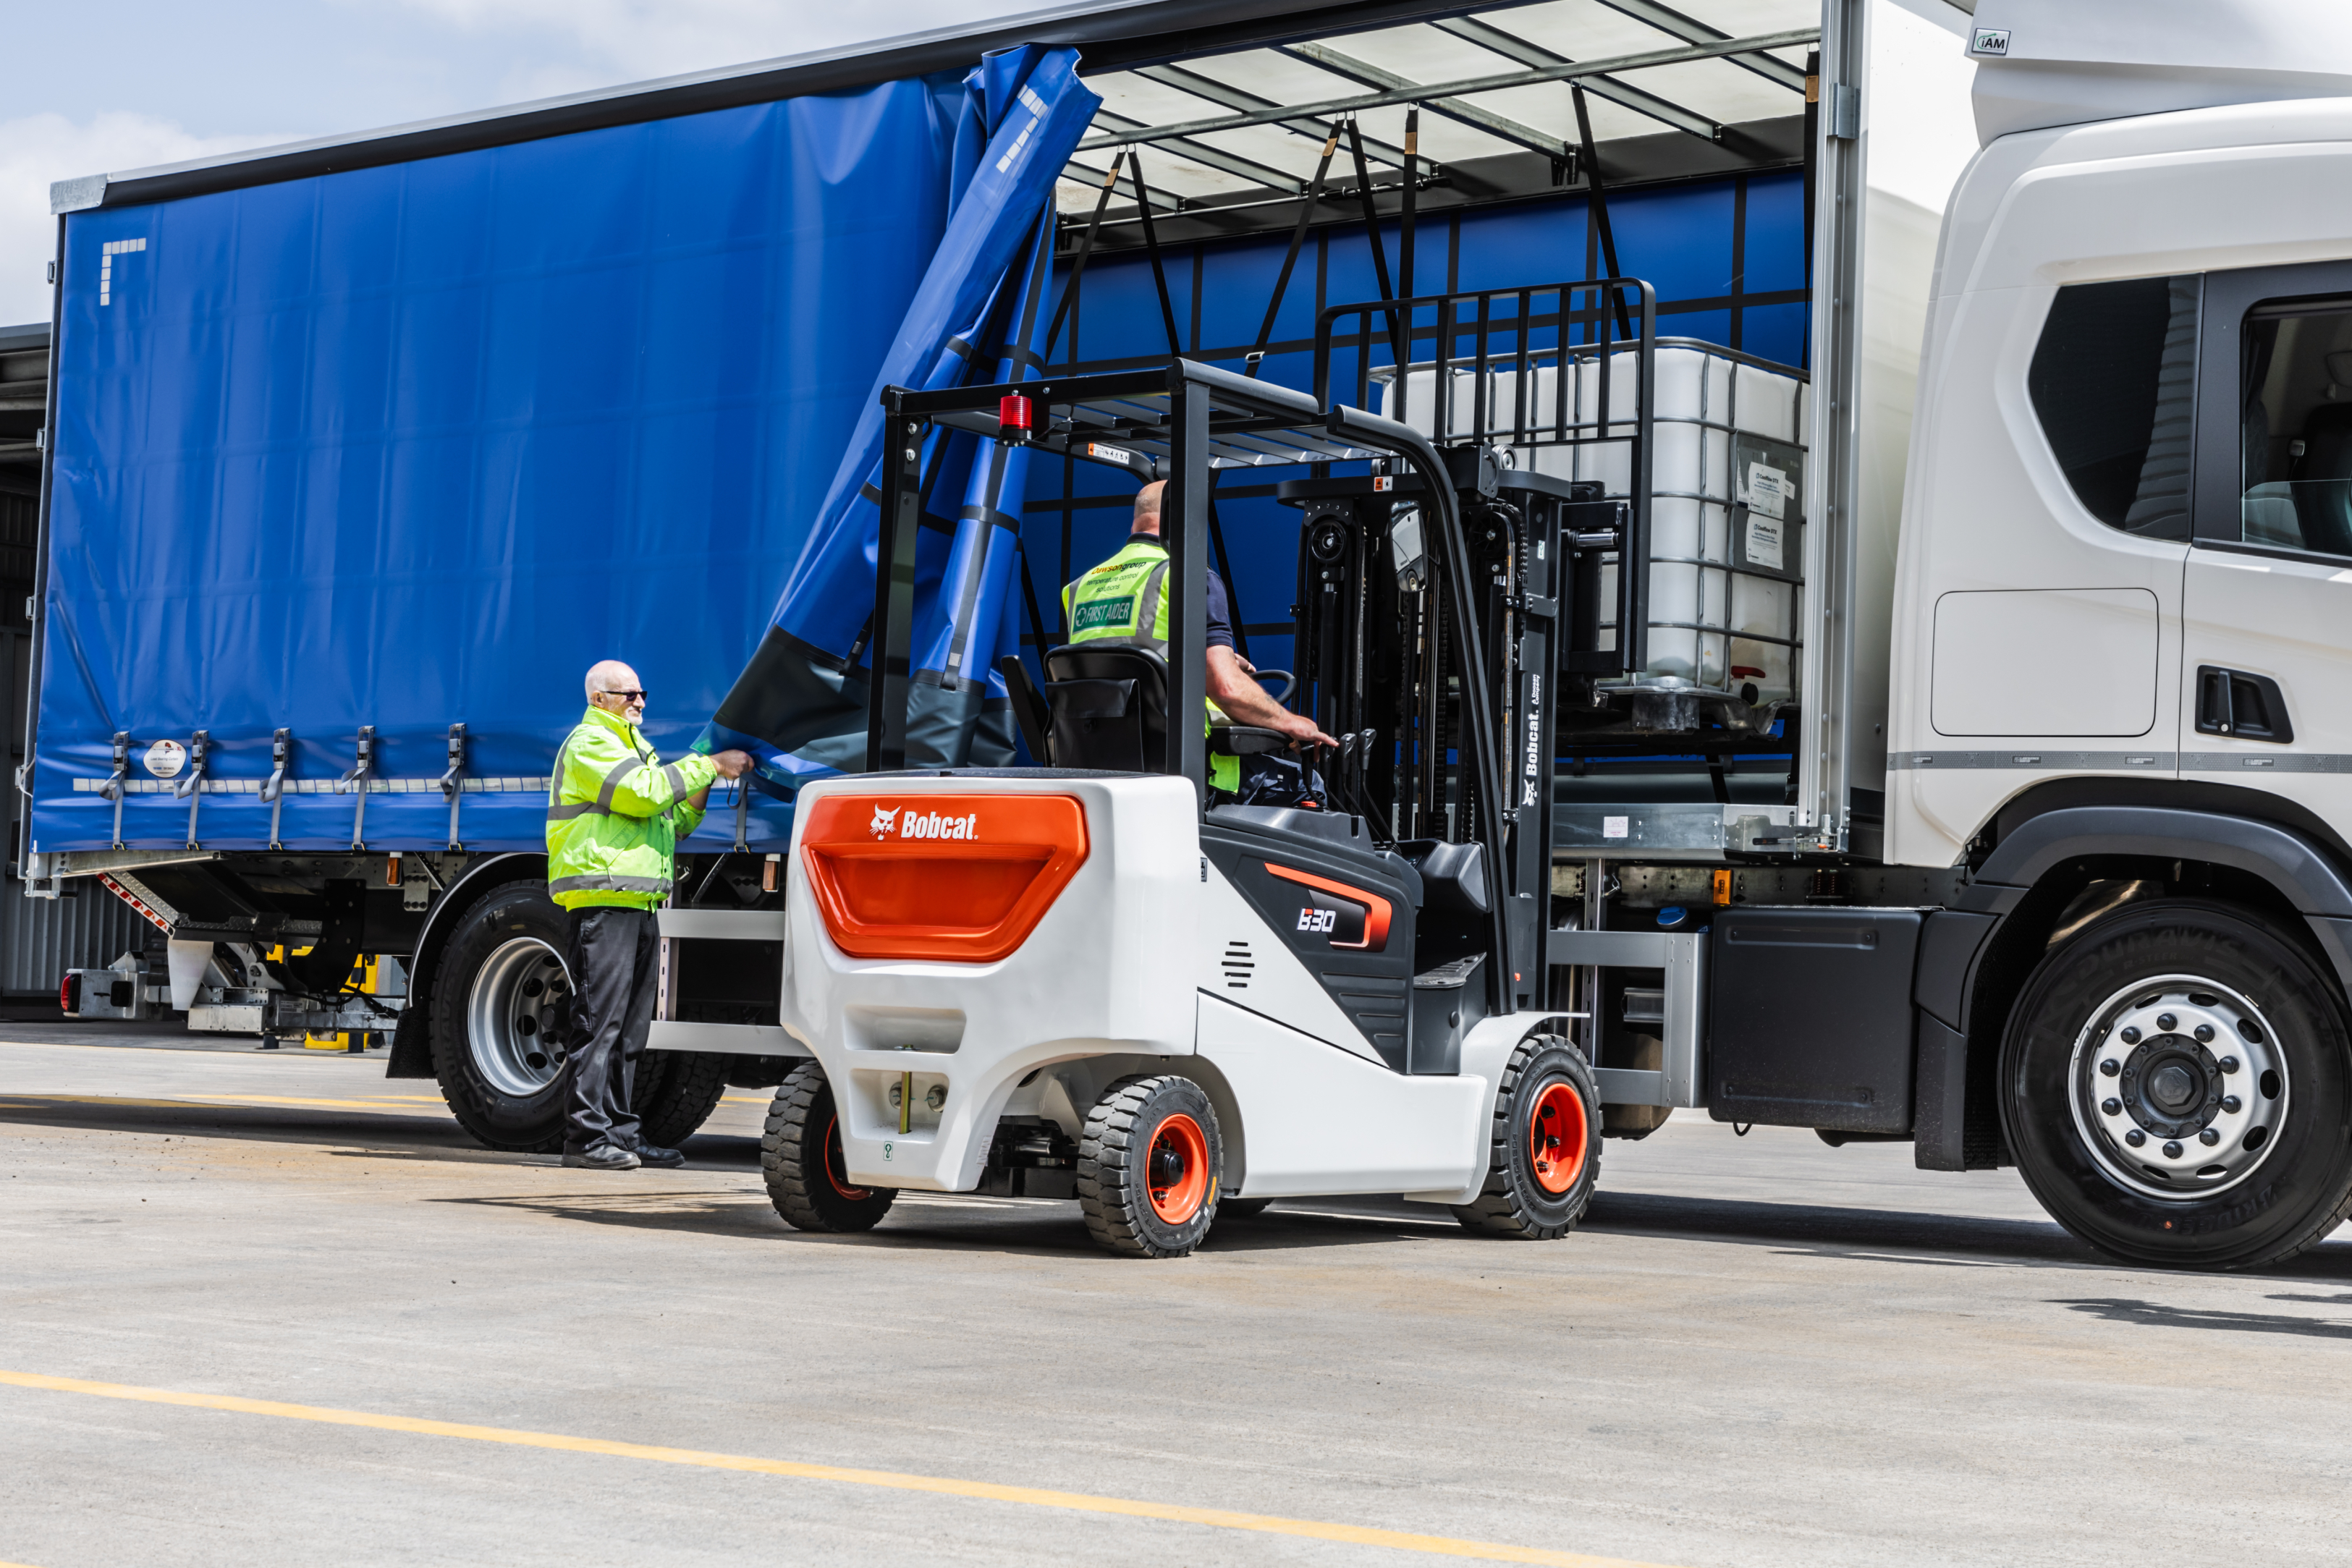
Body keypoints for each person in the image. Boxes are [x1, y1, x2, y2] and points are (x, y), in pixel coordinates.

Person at [546, 661, 751, 1171]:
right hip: (603, 897)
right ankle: (585, 1139)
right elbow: (642, 794)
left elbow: (674, 817)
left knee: (629, 1029)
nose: (639, 702)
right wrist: (707, 765)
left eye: (643, 694)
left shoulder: (637, 749)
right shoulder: (590, 742)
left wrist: (702, 773)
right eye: (628, 694)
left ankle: (621, 1133)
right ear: (599, 699)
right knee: (599, 1023)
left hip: (637, 900)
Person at [1062, 481, 1334, 793]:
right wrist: (1290, 722)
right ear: (1180, 515)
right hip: (1187, 769)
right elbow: (1226, 688)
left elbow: (1124, 655)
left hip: (1103, 765)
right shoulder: (1188, 575)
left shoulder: (1080, 587)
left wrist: (1212, 658)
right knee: (1309, 785)